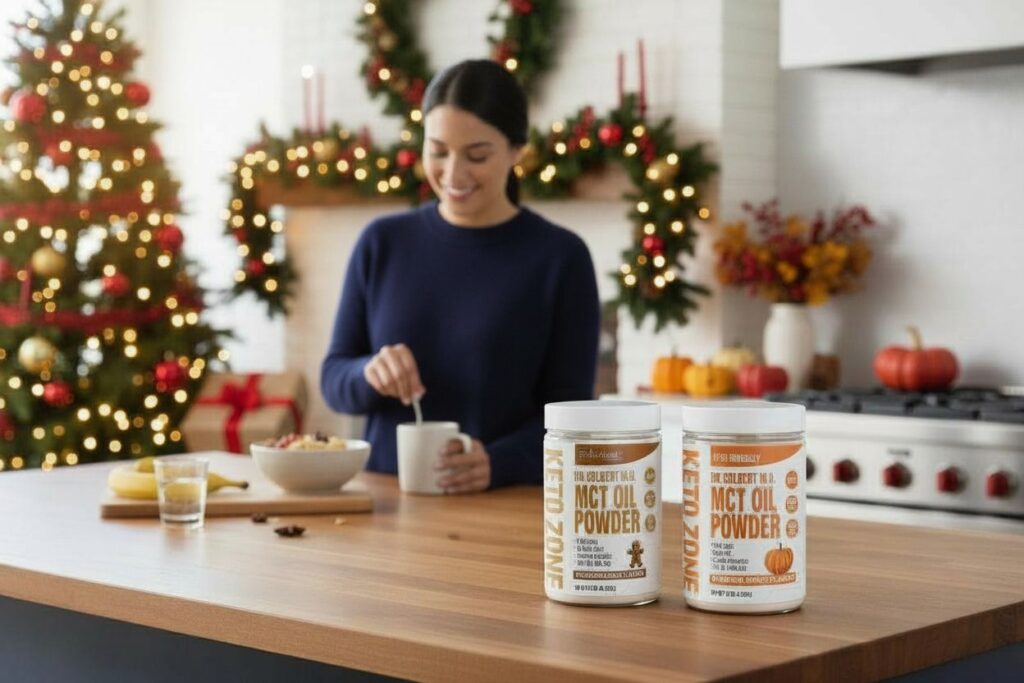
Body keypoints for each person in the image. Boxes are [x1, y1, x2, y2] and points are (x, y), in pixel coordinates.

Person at [320, 59, 599, 493]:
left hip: (501, 509)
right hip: (383, 506)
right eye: (438, 151)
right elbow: (334, 379)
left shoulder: (560, 258)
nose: (452, 174)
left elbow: (574, 418)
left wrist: (500, 462)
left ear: (516, 152)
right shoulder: (382, 242)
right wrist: (368, 373)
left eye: (477, 155)